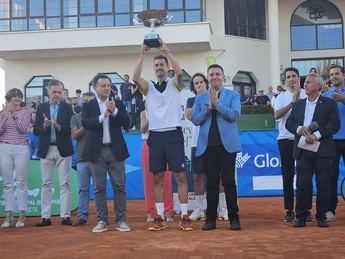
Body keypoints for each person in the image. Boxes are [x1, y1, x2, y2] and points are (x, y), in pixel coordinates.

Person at [133, 37, 194, 231]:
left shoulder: (175, 84)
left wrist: (166, 50)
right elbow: (135, 78)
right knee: (157, 177)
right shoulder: (148, 86)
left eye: (162, 65)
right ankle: (159, 217)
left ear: (166, 67)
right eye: (156, 65)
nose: (159, 67)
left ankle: (184, 215)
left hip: (174, 133)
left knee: (181, 175)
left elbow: (179, 71)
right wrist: (142, 53)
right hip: (156, 136)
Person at [286, 73, 340, 228]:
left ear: (318, 86)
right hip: (303, 149)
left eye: (309, 82)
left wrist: (316, 135)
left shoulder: (329, 103)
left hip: (323, 149)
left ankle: (321, 216)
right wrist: (298, 129)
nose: (305, 84)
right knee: (303, 184)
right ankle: (301, 216)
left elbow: (334, 124)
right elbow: (289, 123)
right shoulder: (298, 104)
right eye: (305, 82)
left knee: (323, 184)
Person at [192, 64, 241, 231]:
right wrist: (209, 107)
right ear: (208, 78)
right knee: (211, 183)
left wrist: (218, 105)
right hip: (208, 146)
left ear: (223, 76)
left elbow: (235, 116)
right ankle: (210, 219)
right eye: (211, 74)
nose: (214, 77)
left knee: (229, 183)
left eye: (217, 74)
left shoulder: (233, 95)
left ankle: (234, 219)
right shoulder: (200, 98)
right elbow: (196, 120)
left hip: (227, 146)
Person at [82, 73, 130, 233]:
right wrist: (103, 116)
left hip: (116, 151)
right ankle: (101, 220)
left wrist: (114, 110)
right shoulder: (88, 106)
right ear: (95, 87)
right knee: (99, 188)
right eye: (103, 85)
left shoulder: (119, 103)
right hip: (97, 152)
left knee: (120, 187)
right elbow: (86, 124)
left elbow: (127, 123)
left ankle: (121, 220)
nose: (107, 88)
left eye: (109, 85)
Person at [185, 73, 228, 221]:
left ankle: (222, 208)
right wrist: (199, 101)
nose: (199, 85)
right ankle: (199, 209)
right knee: (197, 177)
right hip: (196, 143)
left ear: (206, 83)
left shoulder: (215, 96)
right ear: (193, 87)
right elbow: (189, 116)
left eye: (201, 82)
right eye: (196, 84)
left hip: (213, 142)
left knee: (219, 177)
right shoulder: (192, 100)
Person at [274, 67, 314, 222]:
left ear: (299, 78)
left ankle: (306, 209)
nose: (291, 79)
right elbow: (277, 115)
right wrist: (293, 103)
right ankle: (290, 210)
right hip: (285, 139)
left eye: (294, 76)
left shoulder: (308, 94)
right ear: (285, 80)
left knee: (305, 175)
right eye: (288, 77)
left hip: (304, 139)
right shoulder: (281, 97)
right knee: (288, 175)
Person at [34, 79, 74, 227]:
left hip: (63, 149)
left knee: (65, 183)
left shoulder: (68, 108)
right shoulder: (41, 107)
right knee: (46, 184)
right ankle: (45, 217)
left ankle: (66, 216)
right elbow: (36, 131)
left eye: (59, 92)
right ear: (48, 92)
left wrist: (57, 126)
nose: (57, 94)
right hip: (46, 149)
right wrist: (44, 126)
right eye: (54, 92)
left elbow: (70, 129)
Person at [0, 88, 31, 228]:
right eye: (14, 96)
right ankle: (8, 215)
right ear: (8, 99)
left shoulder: (26, 112)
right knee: (7, 183)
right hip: (4, 148)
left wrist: (14, 116)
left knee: (21, 182)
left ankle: (22, 215)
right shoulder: (2, 113)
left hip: (21, 148)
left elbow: (23, 130)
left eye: (19, 96)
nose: (17, 99)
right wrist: (6, 117)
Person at [140, 104, 173, 223]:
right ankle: (151, 211)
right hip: (148, 145)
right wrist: (151, 117)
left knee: (166, 180)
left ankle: (168, 210)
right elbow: (143, 129)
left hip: (165, 146)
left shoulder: (166, 110)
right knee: (149, 181)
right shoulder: (144, 112)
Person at [321, 64, 345, 222]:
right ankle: (330, 210)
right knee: (331, 176)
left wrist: (342, 99)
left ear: (343, 76)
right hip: (331, 140)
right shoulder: (326, 95)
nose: (334, 76)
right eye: (331, 74)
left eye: (337, 73)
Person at [70, 92, 95, 226]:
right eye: (85, 102)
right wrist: (87, 124)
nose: (88, 104)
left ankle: (101, 217)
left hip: (97, 158)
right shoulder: (76, 118)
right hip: (82, 158)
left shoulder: (100, 116)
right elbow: (74, 135)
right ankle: (82, 216)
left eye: (91, 102)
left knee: (99, 189)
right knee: (83, 189)